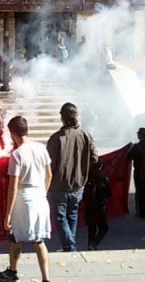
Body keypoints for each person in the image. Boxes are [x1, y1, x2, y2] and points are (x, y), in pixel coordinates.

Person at [0, 116, 52, 282]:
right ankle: (46, 277)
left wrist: (8, 214)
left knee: (15, 237)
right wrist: (43, 193)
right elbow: (49, 175)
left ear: (13, 133)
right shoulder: (41, 148)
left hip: (23, 198)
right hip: (39, 197)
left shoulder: (17, 154)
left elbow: (12, 187)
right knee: (39, 240)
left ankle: (13, 271)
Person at [46, 102, 98, 252]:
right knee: (72, 215)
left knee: (61, 218)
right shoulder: (86, 136)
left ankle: (70, 246)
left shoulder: (57, 138)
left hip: (59, 185)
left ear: (62, 117)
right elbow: (95, 159)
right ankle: (69, 245)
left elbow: (49, 163)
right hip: (78, 184)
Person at [84, 160, 110, 251]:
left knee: (91, 227)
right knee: (104, 228)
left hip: (88, 205)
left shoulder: (86, 178)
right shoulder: (104, 178)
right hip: (99, 206)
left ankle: (90, 245)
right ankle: (94, 243)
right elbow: (109, 194)